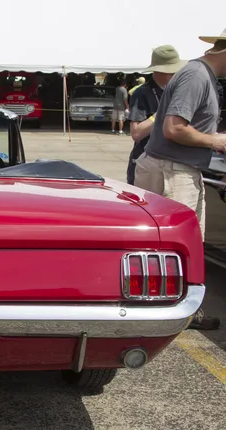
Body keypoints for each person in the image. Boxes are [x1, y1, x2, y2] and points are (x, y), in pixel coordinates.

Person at [134, 28, 226, 330]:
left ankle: (166, 308)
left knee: (170, 245)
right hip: (172, 169)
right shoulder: (197, 77)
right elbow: (174, 128)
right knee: (180, 245)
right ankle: (174, 312)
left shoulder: (199, 75)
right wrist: (217, 141)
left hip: (173, 167)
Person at [126, 46, 187, 184]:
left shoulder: (175, 91)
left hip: (169, 161)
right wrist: (161, 113)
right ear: (163, 72)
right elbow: (136, 133)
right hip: (146, 161)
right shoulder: (142, 93)